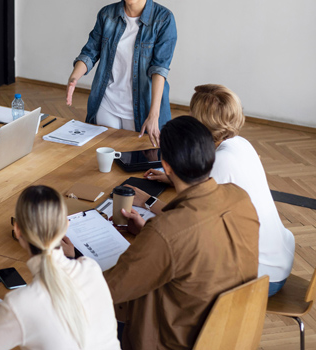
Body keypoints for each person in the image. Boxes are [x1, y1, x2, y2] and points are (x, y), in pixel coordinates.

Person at [103, 116, 259, 349]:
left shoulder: (166, 232)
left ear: (165, 165)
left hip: (177, 340)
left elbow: (108, 290)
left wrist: (68, 258)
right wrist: (150, 235)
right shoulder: (239, 197)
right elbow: (199, 233)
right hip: (233, 332)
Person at [138, 84, 295, 296]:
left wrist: (145, 201)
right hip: (278, 257)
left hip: (262, 276)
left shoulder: (220, 161)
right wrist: (174, 177)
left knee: (171, 272)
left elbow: (185, 220)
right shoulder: (240, 144)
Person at [0, 185, 120, 350]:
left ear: (17, 230)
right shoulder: (90, 268)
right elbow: (55, 309)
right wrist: (0, 309)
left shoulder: (21, 304)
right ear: (65, 225)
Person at [66, 0, 177, 147]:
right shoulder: (107, 14)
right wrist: (74, 78)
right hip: (107, 103)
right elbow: (90, 53)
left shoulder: (164, 18)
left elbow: (159, 69)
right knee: (100, 158)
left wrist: (154, 114)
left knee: (137, 162)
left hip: (143, 108)